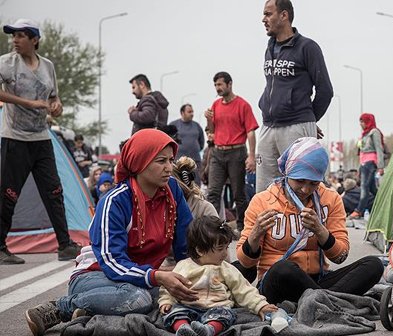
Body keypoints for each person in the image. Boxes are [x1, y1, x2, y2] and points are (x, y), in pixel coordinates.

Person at [24, 129, 196, 336]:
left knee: (182, 293)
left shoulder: (172, 192)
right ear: (140, 163)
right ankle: (61, 307)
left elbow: (187, 242)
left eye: (171, 160)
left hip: (140, 277)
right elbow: (112, 262)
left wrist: (194, 273)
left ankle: (91, 310)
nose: (169, 168)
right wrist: (157, 276)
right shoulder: (115, 201)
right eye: (161, 161)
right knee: (140, 299)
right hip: (96, 275)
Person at [236, 137, 383, 304]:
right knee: (283, 268)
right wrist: (255, 235)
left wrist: (320, 231)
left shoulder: (330, 198)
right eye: (299, 181)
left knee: (373, 265)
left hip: (317, 280)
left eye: (314, 183)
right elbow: (245, 262)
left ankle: (321, 302)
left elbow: (340, 256)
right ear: (288, 173)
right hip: (278, 281)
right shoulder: (262, 201)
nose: (305, 189)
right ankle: (332, 301)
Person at [0, 19, 82, 264]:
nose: (15, 40)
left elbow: (55, 98)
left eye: (21, 35)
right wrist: (28, 103)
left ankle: (65, 244)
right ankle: (0, 246)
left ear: (34, 39)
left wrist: (56, 107)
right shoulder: (6, 63)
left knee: (54, 190)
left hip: (41, 138)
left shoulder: (47, 66)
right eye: (13, 35)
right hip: (15, 137)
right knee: (8, 193)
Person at [256, 0, 334, 193]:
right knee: (265, 191)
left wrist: (307, 118)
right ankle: (269, 224)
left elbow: (325, 90)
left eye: (268, 14)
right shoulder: (270, 48)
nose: (263, 19)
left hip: (295, 128)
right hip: (268, 126)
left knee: (301, 187)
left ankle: (307, 223)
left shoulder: (307, 47)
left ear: (284, 15)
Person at [159, 216, 278, 336]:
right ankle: (183, 328)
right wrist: (166, 301)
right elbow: (170, 287)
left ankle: (209, 330)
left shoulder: (226, 269)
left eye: (226, 248)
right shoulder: (184, 266)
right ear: (200, 250)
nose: (225, 253)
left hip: (217, 307)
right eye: (220, 249)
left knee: (225, 315)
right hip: (188, 306)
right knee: (175, 312)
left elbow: (244, 289)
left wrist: (260, 305)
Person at [204, 71, 258, 233]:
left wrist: (252, 156)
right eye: (215, 85)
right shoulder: (216, 105)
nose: (217, 88)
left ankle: (242, 227)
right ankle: (212, 229)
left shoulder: (243, 105)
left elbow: (250, 131)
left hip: (237, 152)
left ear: (229, 84)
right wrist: (208, 118)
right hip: (218, 152)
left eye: (220, 84)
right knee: (213, 192)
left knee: (238, 193)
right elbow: (212, 131)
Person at [349, 113, 385, 219]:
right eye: (360, 121)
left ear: (368, 121)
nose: (361, 124)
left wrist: (381, 166)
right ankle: (383, 205)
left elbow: (379, 148)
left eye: (363, 121)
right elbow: (361, 152)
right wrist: (360, 166)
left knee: (364, 186)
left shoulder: (374, 132)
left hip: (371, 162)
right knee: (373, 189)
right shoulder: (364, 134)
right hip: (364, 163)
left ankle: (359, 210)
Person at [170, 104, 205, 185]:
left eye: (192, 111)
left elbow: (201, 142)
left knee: (195, 184)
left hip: (194, 161)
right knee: (179, 184)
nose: (192, 114)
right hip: (178, 162)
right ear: (182, 113)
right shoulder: (174, 125)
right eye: (189, 112)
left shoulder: (197, 126)